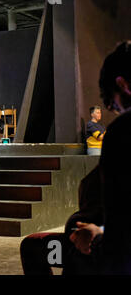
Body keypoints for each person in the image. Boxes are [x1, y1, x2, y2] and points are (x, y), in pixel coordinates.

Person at [69, 41, 131, 274]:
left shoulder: (123, 131)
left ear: (123, 85)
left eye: (116, 106)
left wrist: (96, 237)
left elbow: (120, 234)